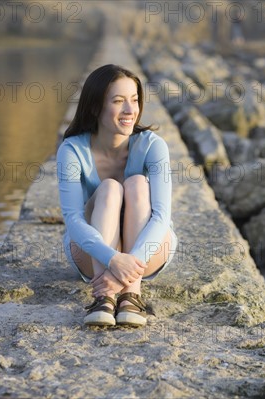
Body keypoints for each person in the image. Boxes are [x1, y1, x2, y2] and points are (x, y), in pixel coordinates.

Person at [56, 64, 177, 328]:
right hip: (91, 255)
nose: (130, 111)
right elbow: (73, 220)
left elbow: (161, 216)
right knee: (110, 188)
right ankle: (104, 298)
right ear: (95, 107)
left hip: (149, 250)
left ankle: (131, 295)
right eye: (118, 101)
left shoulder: (153, 146)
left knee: (136, 184)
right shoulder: (72, 150)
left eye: (134, 100)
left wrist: (129, 269)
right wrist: (112, 259)